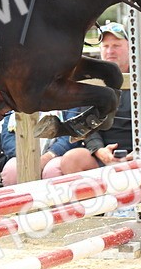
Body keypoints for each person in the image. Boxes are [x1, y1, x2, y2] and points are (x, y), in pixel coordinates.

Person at [50, 22, 135, 174]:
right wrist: (99, 150)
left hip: (139, 152)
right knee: (72, 159)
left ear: (130, 48)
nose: (110, 51)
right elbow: (88, 126)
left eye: (116, 45)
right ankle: (91, 198)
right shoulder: (92, 81)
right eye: (105, 46)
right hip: (102, 155)